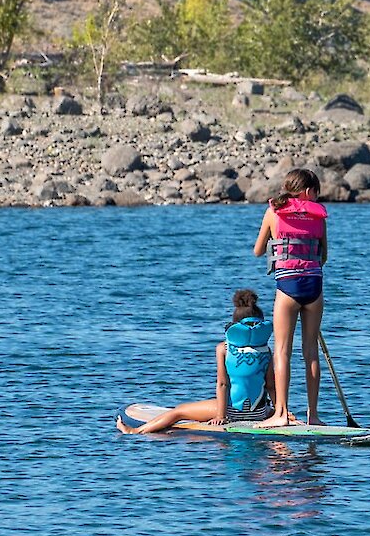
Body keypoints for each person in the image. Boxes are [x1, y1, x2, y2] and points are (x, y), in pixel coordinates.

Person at [117, 290, 274, 433]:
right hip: (259, 413)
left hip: (232, 412)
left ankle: (134, 431)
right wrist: (280, 412)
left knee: (179, 411)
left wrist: (221, 416)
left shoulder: (223, 348)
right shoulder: (266, 350)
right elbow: (271, 386)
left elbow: (222, 384)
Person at [253, 168, 327, 427]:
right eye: (316, 193)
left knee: (283, 351)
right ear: (308, 192)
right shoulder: (319, 217)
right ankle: (314, 416)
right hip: (314, 288)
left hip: (288, 287)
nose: (317, 198)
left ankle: (281, 414)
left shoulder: (273, 211)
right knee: (311, 353)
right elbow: (323, 256)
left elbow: (257, 250)